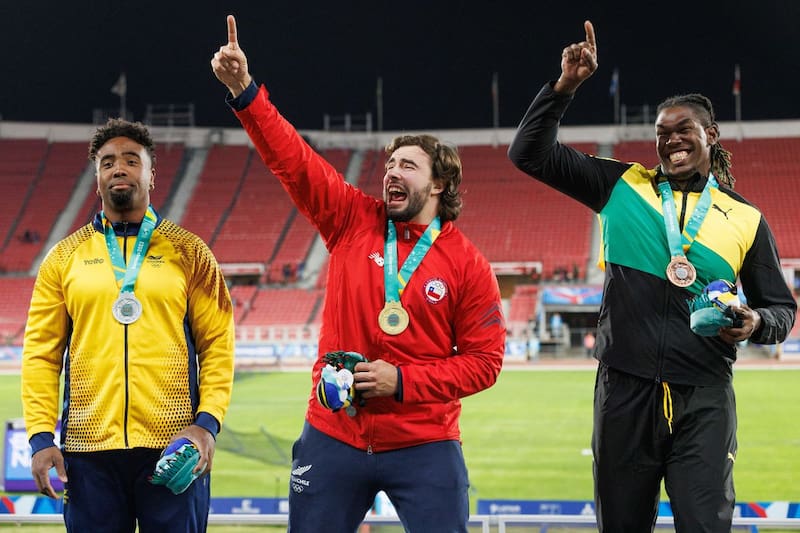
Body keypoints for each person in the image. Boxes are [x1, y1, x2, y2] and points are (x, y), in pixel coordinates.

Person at [212, 15, 505, 532]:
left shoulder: (468, 263)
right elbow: (295, 161)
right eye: (389, 165)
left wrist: (404, 381)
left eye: (408, 166)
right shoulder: (351, 218)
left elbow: (485, 363)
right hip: (333, 435)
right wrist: (244, 91)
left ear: (439, 185)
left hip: (426, 442)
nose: (391, 172)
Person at [508, 20, 796, 533]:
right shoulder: (621, 185)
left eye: (683, 129)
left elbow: (782, 309)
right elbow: (528, 154)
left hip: (704, 396)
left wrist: (756, 323)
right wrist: (564, 88)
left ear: (710, 134)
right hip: (624, 391)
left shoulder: (746, 217)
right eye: (661, 133)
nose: (671, 141)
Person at [21, 118, 236, 532]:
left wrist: (207, 424)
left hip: (175, 446)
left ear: (152, 175)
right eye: (107, 162)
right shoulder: (63, 258)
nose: (118, 168)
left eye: (131, 160)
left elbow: (218, 345)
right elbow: (41, 356)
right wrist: (40, 438)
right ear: (97, 177)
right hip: (87, 451)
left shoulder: (190, 251)